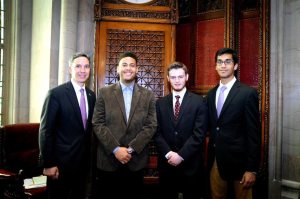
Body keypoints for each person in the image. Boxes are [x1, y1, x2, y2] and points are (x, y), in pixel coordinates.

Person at [92, 51, 157, 199]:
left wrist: (131, 149)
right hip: (109, 161)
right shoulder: (104, 93)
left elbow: (151, 125)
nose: (128, 68)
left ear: (137, 69)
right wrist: (116, 149)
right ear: (118, 68)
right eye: (124, 65)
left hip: (136, 161)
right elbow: (98, 123)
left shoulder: (148, 95)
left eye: (132, 65)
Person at [39, 52, 96, 199]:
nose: (82, 70)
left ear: (90, 70)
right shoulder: (55, 94)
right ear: (70, 69)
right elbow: (46, 131)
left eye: (86, 66)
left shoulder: (91, 96)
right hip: (59, 165)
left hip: (83, 165)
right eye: (78, 66)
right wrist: (48, 164)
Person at [206, 47, 261, 199]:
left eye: (227, 62)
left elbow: (254, 134)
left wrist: (252, 169)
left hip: (241, 164)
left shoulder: (247, 93)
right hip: (216, 161)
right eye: (219, 62)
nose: (223, 65)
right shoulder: (211, 95)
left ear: (235, 65)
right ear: (216, 66)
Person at [155, 61, 208, 199]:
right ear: (168, 78)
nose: (177, 80)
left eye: (180, 76)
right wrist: (168, 154)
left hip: (191, 165)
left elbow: (199, 134)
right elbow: (156, 132)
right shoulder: (160, 104)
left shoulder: (199, 102)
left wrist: (181, 155)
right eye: (173, 77)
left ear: (187, 77)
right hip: (167, 166)